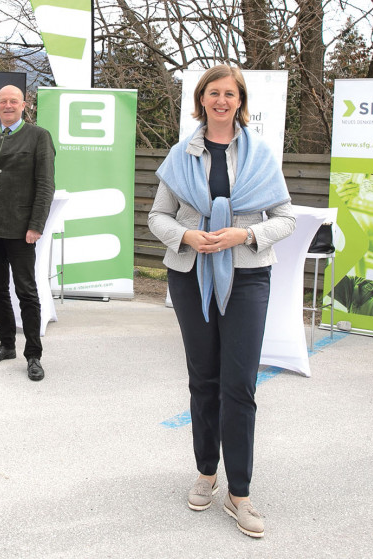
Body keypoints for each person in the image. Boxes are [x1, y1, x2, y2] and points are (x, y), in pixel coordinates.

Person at [148, 64, 295, 538]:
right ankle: (206, 473)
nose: (221, 101)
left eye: (230, 94)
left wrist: (245, 233)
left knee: (239, 385)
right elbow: (157, 217)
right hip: (191, 277)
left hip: (249, 276)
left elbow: (285, 218)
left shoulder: (261, 156)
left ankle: (241, 493)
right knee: (203, 379)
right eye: (214, 93)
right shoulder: (179, 155)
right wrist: (188, 234)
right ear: (202, 99)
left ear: (240, 101)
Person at [0, 85, 55, 382]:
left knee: (27, 291)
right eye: (2, 101)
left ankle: (34, 355)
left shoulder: (38, 137)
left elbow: (45, 185)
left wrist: (36, 225)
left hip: (20, 230)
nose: (8, 105)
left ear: (23, 105)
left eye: (13, 101)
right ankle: (6, 344)